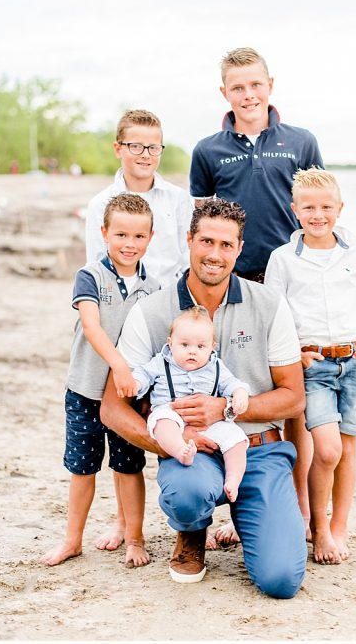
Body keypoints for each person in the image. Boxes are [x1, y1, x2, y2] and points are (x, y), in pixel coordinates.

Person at [100, 198, 306, 598]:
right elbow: (111, 407)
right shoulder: (152, 311)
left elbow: (294, 398)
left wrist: (226, 408)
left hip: (258, 449)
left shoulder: (268, 304)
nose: (215, 254)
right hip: (190, 452)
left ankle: (254, 520)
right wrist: (171, 441)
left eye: (226, 245)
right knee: (188, 493)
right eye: (206, 241)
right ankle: (192, 529)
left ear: (240, 248)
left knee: (281, 581)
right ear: (189, 239)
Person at [189, 46, 324, 540]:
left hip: (288, 286)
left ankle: (299, 509)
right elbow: (203, 223)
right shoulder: (208, 150)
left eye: (255, 85)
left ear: (271, 85)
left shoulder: (300, 141)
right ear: (224, 92)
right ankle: (232, 507)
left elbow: (315, 209)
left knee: (294, 402)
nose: (248, 95)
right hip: (232, 287)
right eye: (237, 87)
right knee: (232, 392)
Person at [264, 167, 356, 565]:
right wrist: (296, 355)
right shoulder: (283, 259)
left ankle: (339, 528)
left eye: (326, 207)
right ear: (294, 211)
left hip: (353, 364)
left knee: (348, 449)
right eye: (308, 208)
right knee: (328, 450)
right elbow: (274, 316)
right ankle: (318, 528)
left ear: (340, 208)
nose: (318, 215)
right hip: (314, 369)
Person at [42, 193, 158, 568]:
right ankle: (72, 541)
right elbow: (91, 326)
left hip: (126, 398)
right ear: (105, 233)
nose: (130, 244)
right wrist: (119, 365)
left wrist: (135, 380)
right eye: (121, 235)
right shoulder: (89, 275)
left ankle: (134, 538)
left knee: (128, 467)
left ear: (150, 238)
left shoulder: (152, 286)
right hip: (85, 391)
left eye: (139, 237)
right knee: (82, 470)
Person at [125, 308, 251, 502]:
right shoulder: (162, 362)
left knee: (237, 439)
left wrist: (240, 393)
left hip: (208, 421)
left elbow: (232, 383)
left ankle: (233, 479)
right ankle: (180, 451)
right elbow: (144, 374)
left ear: (212, 347)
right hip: (171, 411)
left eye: (201, 346)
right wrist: (136, 383)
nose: (192, 351)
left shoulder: (216, 366)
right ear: (170, 343)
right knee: (161, 422)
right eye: (184, 345)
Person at [85, 108, 191, 290]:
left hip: (170, 299)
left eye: (153, 148)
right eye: (135, 146)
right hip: (121, 302)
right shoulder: (100, 204)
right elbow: (96, 265)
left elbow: (188, 258)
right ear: (118, 149)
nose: (145, 154)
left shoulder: (178, 199)